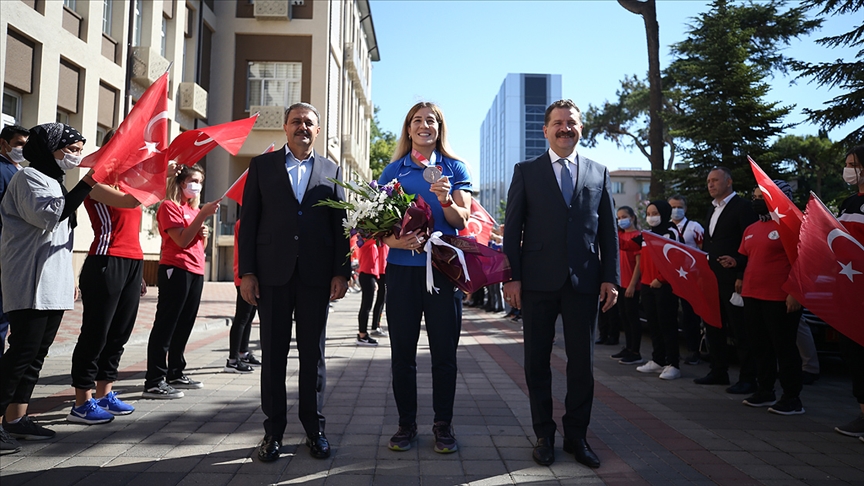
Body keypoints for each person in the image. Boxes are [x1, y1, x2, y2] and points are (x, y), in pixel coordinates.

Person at [503, 99, 618, 468]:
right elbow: (513, 229)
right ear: (545, 130)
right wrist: (513, 278)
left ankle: (576, 436)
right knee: (536, 362)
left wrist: (610, 278)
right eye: (557, 123)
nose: (565, 128)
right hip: (536, 282)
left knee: (581, 364)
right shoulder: (526, 170)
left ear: (580, 128)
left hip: (583, 282)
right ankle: (543, 434)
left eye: (571, 123)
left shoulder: (599, 172)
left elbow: (608, 231)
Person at [239, 102, 351, 462]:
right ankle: (273, 433)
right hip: (272, 275)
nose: (303, 127)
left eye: (309, 123)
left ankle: (314, 429)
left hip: (317, 278)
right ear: (284, 127)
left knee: (312, 355)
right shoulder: (261, 166)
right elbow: (250, 223)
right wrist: (248, 273)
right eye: (296, 121)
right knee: (273, 355)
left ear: (318, 131)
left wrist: (341, 271)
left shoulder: (332, 171)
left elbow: (342, 228)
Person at [378, 101, 473, 454]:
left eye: (430, 120)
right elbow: (378, 228)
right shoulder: (393, 171)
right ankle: (406, 426)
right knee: (402, 354)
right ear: (408, 129)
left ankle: (443, 426)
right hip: (402, 273)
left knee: (444, 355)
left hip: (443, 272)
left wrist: (447, 199)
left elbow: (462, 220)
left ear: (439, 128)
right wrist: (394, 240)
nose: (424, 125)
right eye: (417, 120)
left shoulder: (454, 167)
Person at [0, 123, 96, 455]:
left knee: (36, 356)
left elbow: (62, 239)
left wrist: (68, 279)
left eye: (79, 149)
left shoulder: (53, 181)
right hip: (30, 279)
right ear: (49, 148)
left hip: (52, 281)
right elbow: (50, 217)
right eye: (71, 149)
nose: (76, 156)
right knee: (21, 353)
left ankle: (16, 419)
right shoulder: (27, 178)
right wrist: (88, 183)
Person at [68, 129, 151, 424]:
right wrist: (158, 175)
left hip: (132, 263)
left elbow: (134, 223)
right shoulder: (94, 181)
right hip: (105, 260)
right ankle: (82, 401)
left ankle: (105, 394)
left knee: (119, 334)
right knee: (96, 333)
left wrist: (139, 274)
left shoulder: (129, 181)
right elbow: (129, 203)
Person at [143, 164, 220, 399]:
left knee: (185, 323)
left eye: (200, 182)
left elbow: (197, 246)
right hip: (175, 269)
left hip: (195, 270)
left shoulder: (193, 210)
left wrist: (203, 232)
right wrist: (203, 217)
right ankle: (154, 380)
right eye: (193, 180)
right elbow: (182, 241)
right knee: (167, 323)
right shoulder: (169, 207)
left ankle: (175, 372)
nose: (197, 186)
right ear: (180, 183)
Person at [738, 183, 804, 415]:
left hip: (780, 297)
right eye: (754, 196)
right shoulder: (752, 228)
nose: (756, 201)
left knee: (784, 348)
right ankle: (765, 390)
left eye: (761, 197)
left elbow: (803, 262)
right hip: (752, 295)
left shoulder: (792, 225)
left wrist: (795, 292)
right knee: (760, 346)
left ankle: (792, 398)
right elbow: (747, 258)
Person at [694, 167, 758, 394]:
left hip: (734, 280)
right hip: (712, 279)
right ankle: (718, 370)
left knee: (740, 330)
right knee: (713, 326)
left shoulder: (743, 207)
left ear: (729, 181)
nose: (710, 185)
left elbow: (749, 242)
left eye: (715, 180)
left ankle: (748, 378)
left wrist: (741, 273)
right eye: (708, 181)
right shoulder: (712, 210)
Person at [633, 201, 683, 381]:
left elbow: (676, 258)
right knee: (653, 323)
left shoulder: (671, 232)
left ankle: (673, 363)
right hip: (647, 285)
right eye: (648, 213)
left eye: (655, 212)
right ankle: (658, 359)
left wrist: (661, 278)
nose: (651, 216)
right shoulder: (647, 235)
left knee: (667, 324)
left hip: (663, 286)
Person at [834, 145, 864, 439]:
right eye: (847, 164)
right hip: (848, 292)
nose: (849, 169)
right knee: (853, 353)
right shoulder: (847, 202)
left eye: (854, 164)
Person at [0, 124, 29, 358]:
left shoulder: (19, 170)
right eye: (18, 144)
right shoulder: (2, 170)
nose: (22, 149)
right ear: (3, 144)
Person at [669, 194, 705, 365]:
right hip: (670, 278)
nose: (676, 210)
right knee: (671, 315)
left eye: (679, 207)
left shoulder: (694, 227)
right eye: (673, 207)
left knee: (690, 315)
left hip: (690, 277)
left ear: (685, 208)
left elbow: (703, 251)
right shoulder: (666, 228)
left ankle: (694, 350)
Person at [224, 216, 260, 373]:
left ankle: (243, 352)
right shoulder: (244, 222)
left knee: (249, 316)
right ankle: (232, 359)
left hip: (253, 276)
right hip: (244, 276)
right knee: (242, 317)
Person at [610, 206, 643, 365]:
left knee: (632, 318)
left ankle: (635, 351)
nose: (621, 220)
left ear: (632, 217)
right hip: (621, 283)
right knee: (624, 317)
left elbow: (639, 264)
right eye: (619, 217)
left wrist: (632, 285)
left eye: (624, 216)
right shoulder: (620, 235)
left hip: (631, 285)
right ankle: (628, 347)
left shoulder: (637, 237)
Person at [355, 237, 388, 346]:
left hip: (371, 274)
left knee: (367, 305)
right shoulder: (367, 242)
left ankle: (364, 333)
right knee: (366, 306)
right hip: (367, 274)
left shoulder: (371, 243)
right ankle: (362, 335)